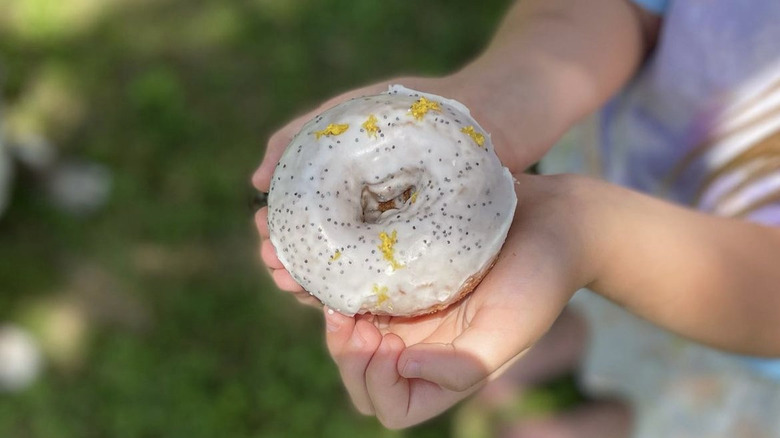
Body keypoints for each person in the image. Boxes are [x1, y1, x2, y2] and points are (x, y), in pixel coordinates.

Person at [253, 0, 780, 436]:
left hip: (748, 318)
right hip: (624, 171)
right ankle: (568, 337)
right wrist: (493, 107)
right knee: (588, 301)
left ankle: (607, 425)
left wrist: (588, 232)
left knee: (695, 399)